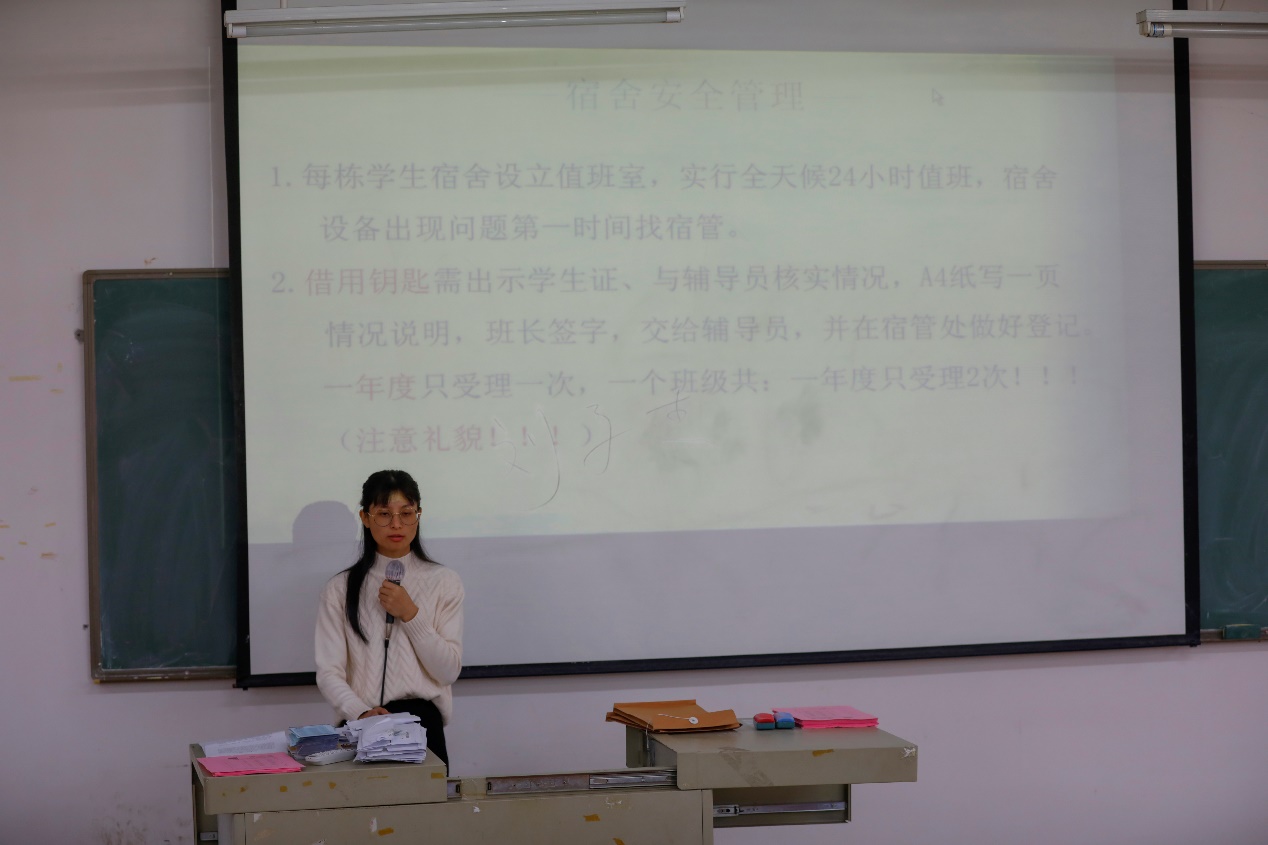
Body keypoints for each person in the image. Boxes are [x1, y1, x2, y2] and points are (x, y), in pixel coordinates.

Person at [315, 469, 463, 769]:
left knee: (424, 802)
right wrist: (360, 711)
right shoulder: (339, 588)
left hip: (420, 724)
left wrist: (411, 614)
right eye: (384, 514)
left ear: (418, 515)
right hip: (360, 723)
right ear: (365, 517)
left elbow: (448, 671)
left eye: (406, 513)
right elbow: (329, 672)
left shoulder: (444, 581)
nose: (396, 524)